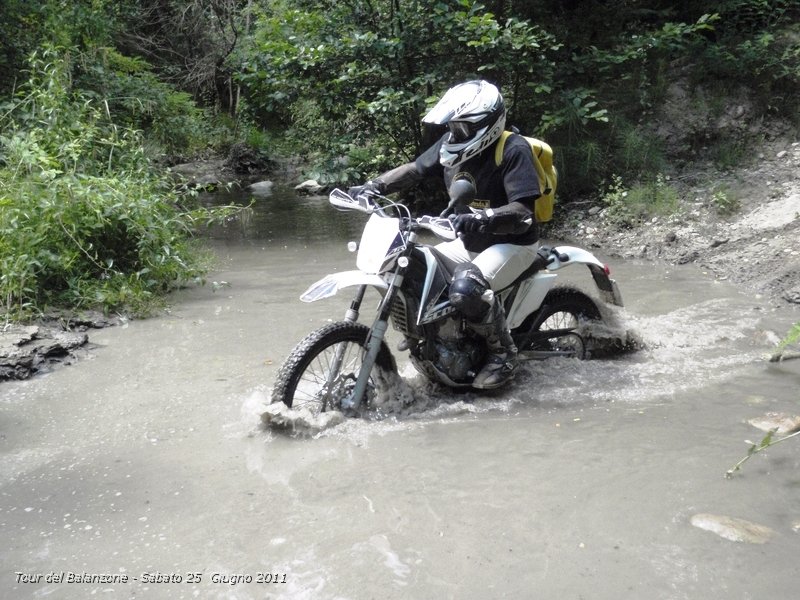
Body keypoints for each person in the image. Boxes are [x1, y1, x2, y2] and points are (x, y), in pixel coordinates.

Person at [349, 80, 542, 389]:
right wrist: (376, 186)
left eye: (463, 127)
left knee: (465, 289)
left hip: (512, 244)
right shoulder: (451, 145)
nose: (455, 132)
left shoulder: (513, 150)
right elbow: (415, 169)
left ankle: (503, 354)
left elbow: (523, 211)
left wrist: (484, 217)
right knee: (408, 263)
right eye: (453, 125)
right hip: (469, 243)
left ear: (486, 123)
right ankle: (428, 335)